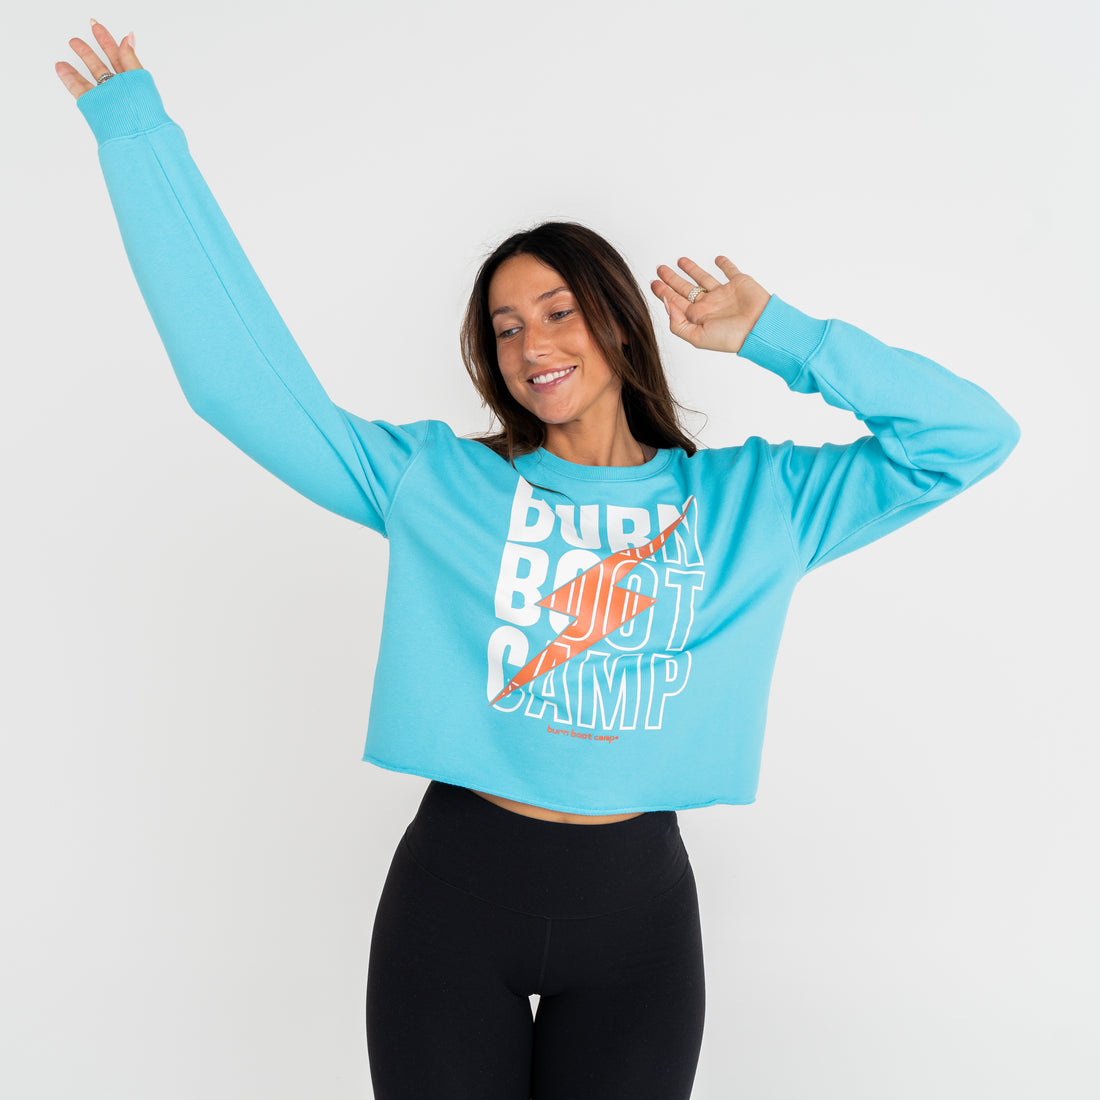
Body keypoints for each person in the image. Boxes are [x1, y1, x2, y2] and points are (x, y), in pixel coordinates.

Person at [56, 21, 1020, 1100]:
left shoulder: (758, 503)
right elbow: (242, 385)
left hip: (638, 919)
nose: (533, 345)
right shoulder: (440, 484)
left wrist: (782, 336)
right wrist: (137, 138)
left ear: (619, 323)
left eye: (559, 311)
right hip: (454, 901)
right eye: (506, 327)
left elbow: (969, 438)